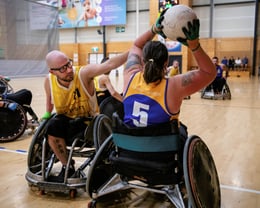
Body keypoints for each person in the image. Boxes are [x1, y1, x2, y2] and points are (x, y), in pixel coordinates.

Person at [121, 12, 216, 141]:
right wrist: (195, 46)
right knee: (181, 129)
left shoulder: (129, 76)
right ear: (166, 63)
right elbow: (209, 72)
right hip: (162, 156)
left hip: (129, 151)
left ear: (142, 60)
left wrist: (153, 29)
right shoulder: (173, 86)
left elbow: (137, 45)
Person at [43, 50, 128, 182]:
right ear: (52, 72)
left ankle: (104, 166)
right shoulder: (49, 82)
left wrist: (134, 50)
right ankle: (67, 166)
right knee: (52, 125)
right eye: (62, 69)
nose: (69, 70)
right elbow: (49, 105)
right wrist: (45, 118)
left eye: (69, 64)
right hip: (67, 125)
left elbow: (110, 64)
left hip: (89, 125)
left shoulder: (83, 74)